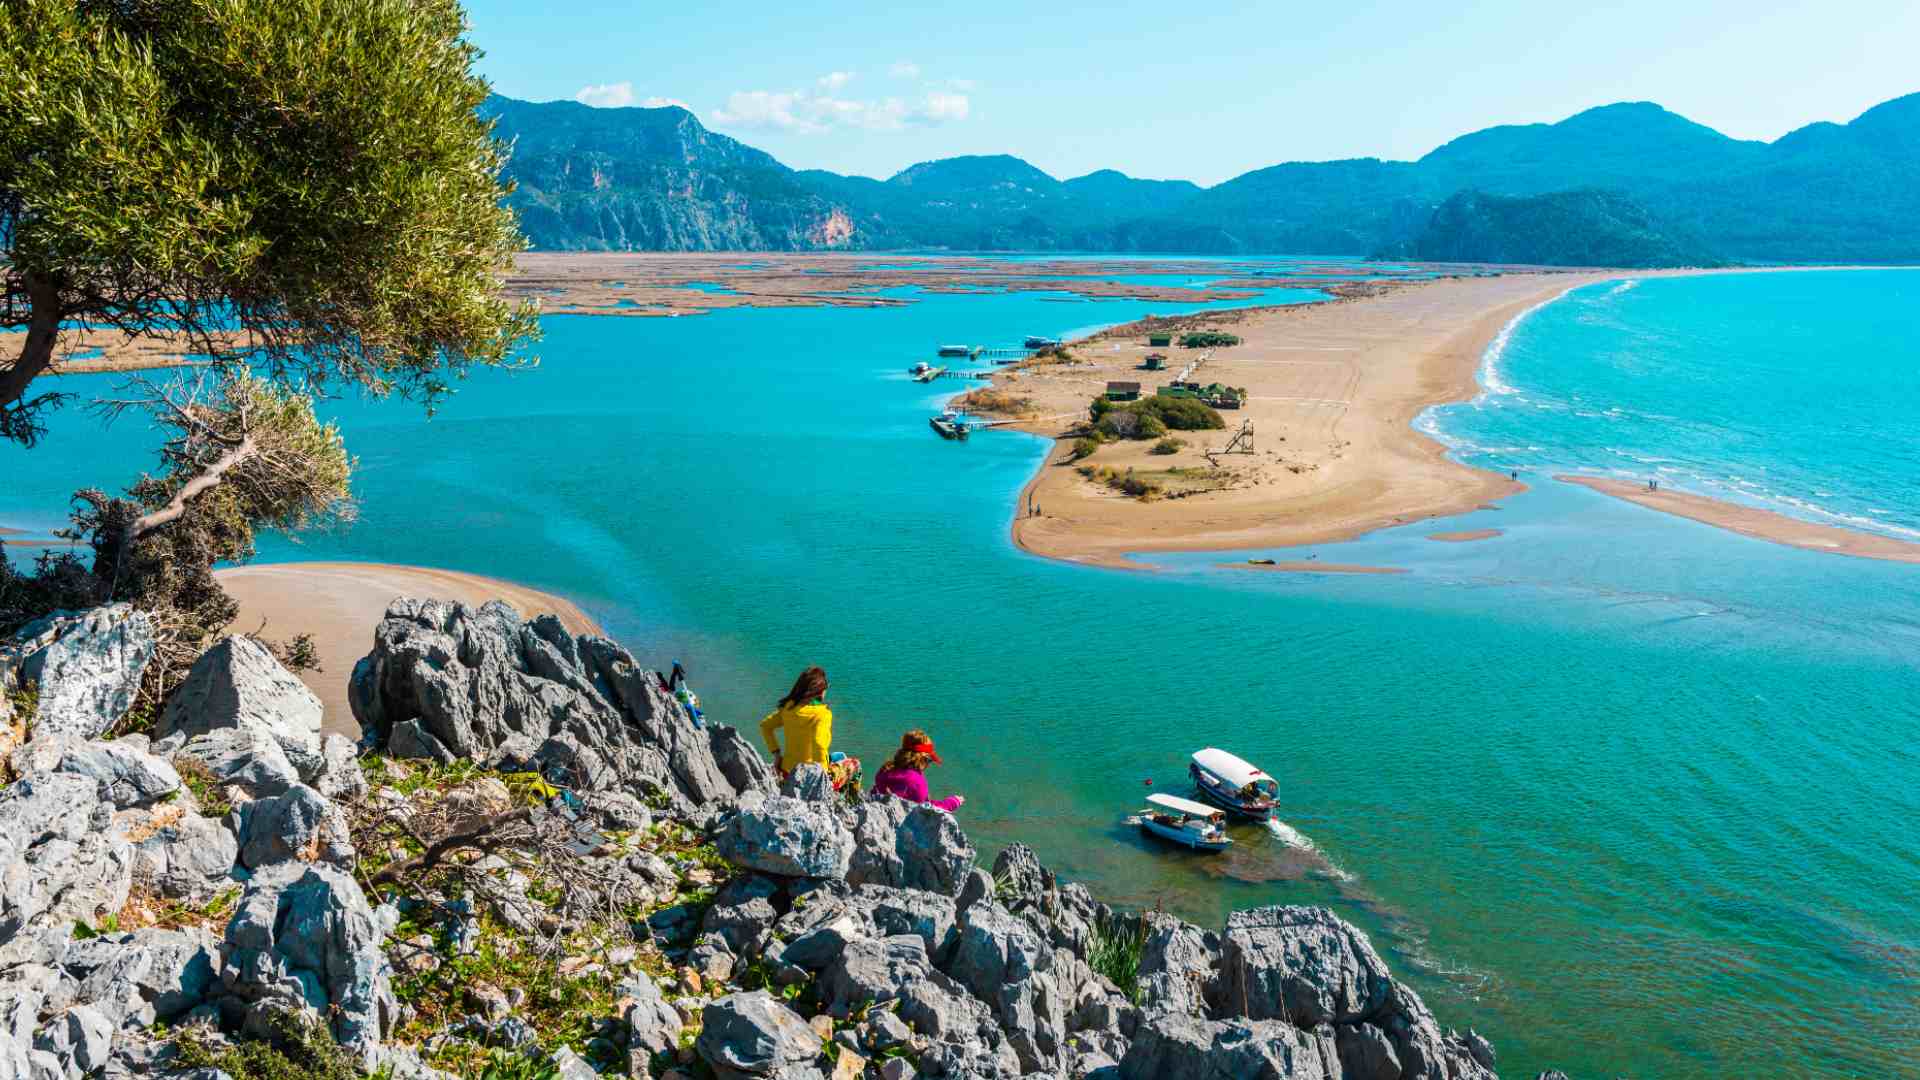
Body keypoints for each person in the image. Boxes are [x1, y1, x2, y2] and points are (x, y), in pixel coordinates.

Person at [759, 667, 857, 788]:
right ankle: (850, 801)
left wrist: (777, 755)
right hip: (812, 780)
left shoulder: (788, 708)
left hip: (787, 773)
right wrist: (822, 776)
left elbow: (765, 726)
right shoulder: (822, 714)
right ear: (820, 691)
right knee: (855, 765)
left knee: (839, 756)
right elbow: (819, 744)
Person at [871, 729, 964, 812]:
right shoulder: (917, 782)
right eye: (929, 760)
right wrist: (952, 803)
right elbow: (927, 810)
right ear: (922, 758)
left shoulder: (885, 769)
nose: (928, 765)